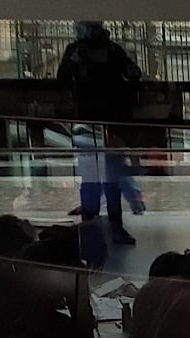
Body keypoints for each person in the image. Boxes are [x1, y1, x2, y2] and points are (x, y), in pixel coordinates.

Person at [57, 21, 142, 245]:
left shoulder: (110, 50)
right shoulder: (83, 51)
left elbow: (133, 72)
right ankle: (96, 227)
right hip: (91, 122)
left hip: (104, 123)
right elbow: (62, 79)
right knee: (95, 179)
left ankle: (104, 227)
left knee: (106, 178)